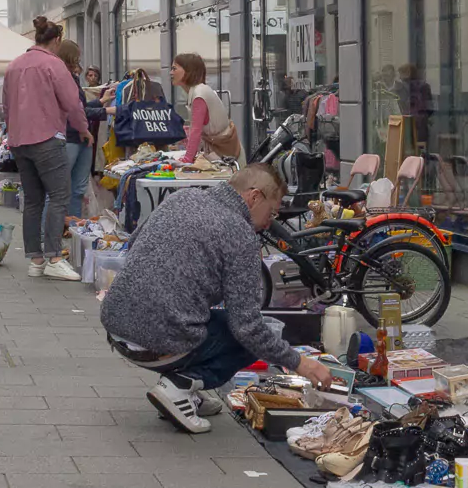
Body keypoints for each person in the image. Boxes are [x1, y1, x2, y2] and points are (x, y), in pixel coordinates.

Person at [100, 163, 336, 433]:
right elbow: (247, 327)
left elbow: (135, 245)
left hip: (117, 325)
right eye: (271, 212)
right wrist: (300, 362)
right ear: (254, 196)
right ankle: (182, 384)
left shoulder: (183, 196)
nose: (270, 222)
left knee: (215, 320)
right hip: (154, 342)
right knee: (253, 337)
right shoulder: (240, 234)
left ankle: (183, 388)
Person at [2, 15, 91, 280]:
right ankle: (53, 256)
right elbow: (73, 103)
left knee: (33, 200)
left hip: (19, 141)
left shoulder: (14, 66)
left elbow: (6, 106)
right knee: (59, 196)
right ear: (57, 40)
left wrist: (13, 131)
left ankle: (36, 260)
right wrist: (84, 129)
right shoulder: (54, 64)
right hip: (47, 137)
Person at [54, 39, 104, 218]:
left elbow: (80, 106)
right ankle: (51, 231)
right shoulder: (62, 77)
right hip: (71, 136)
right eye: (77, 55)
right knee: (61, 189)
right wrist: (105, 110)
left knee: (78, 188)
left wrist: (100, 102)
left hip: (80, 137)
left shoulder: (72, 78)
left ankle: (73, 226)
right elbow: (75, 109)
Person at [172, 52, 241, 163]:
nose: (171, 73)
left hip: (223, 154)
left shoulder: (199, 94)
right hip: (223, 151)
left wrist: (187, 159)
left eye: (174, 69)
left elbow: (196, 131)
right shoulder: (199, 91)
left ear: (187, 71)